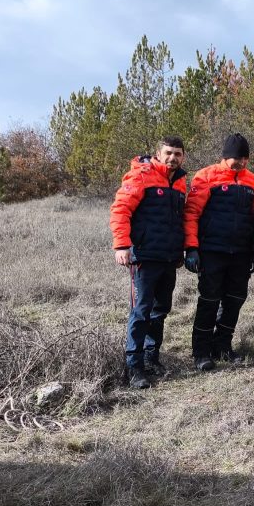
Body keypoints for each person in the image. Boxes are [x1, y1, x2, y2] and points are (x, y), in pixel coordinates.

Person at [109, 136, 188, 389]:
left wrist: (181, 251)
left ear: (183, 156)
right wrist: (122, 245)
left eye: (177, 153)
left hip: (169, 258)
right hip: (144, 256)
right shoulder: (142, 175)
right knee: (141, 311)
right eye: (168, 153)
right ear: (158, 153)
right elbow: (121, 210)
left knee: (161, 309)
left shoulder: (180, 183)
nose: (172, 158)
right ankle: (135, 366)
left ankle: (153, 358)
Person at [183, 133, 254, 372]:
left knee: (235, 300)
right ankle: (201, 351)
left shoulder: (252, 181)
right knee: (209, 300)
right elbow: (192, 214)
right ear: (224, 156)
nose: (240, 163)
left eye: (244, 158)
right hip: (211, 251)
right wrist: (192, 248)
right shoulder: (205, 176)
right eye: (235, 158)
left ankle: (223, 345)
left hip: (240, 253)